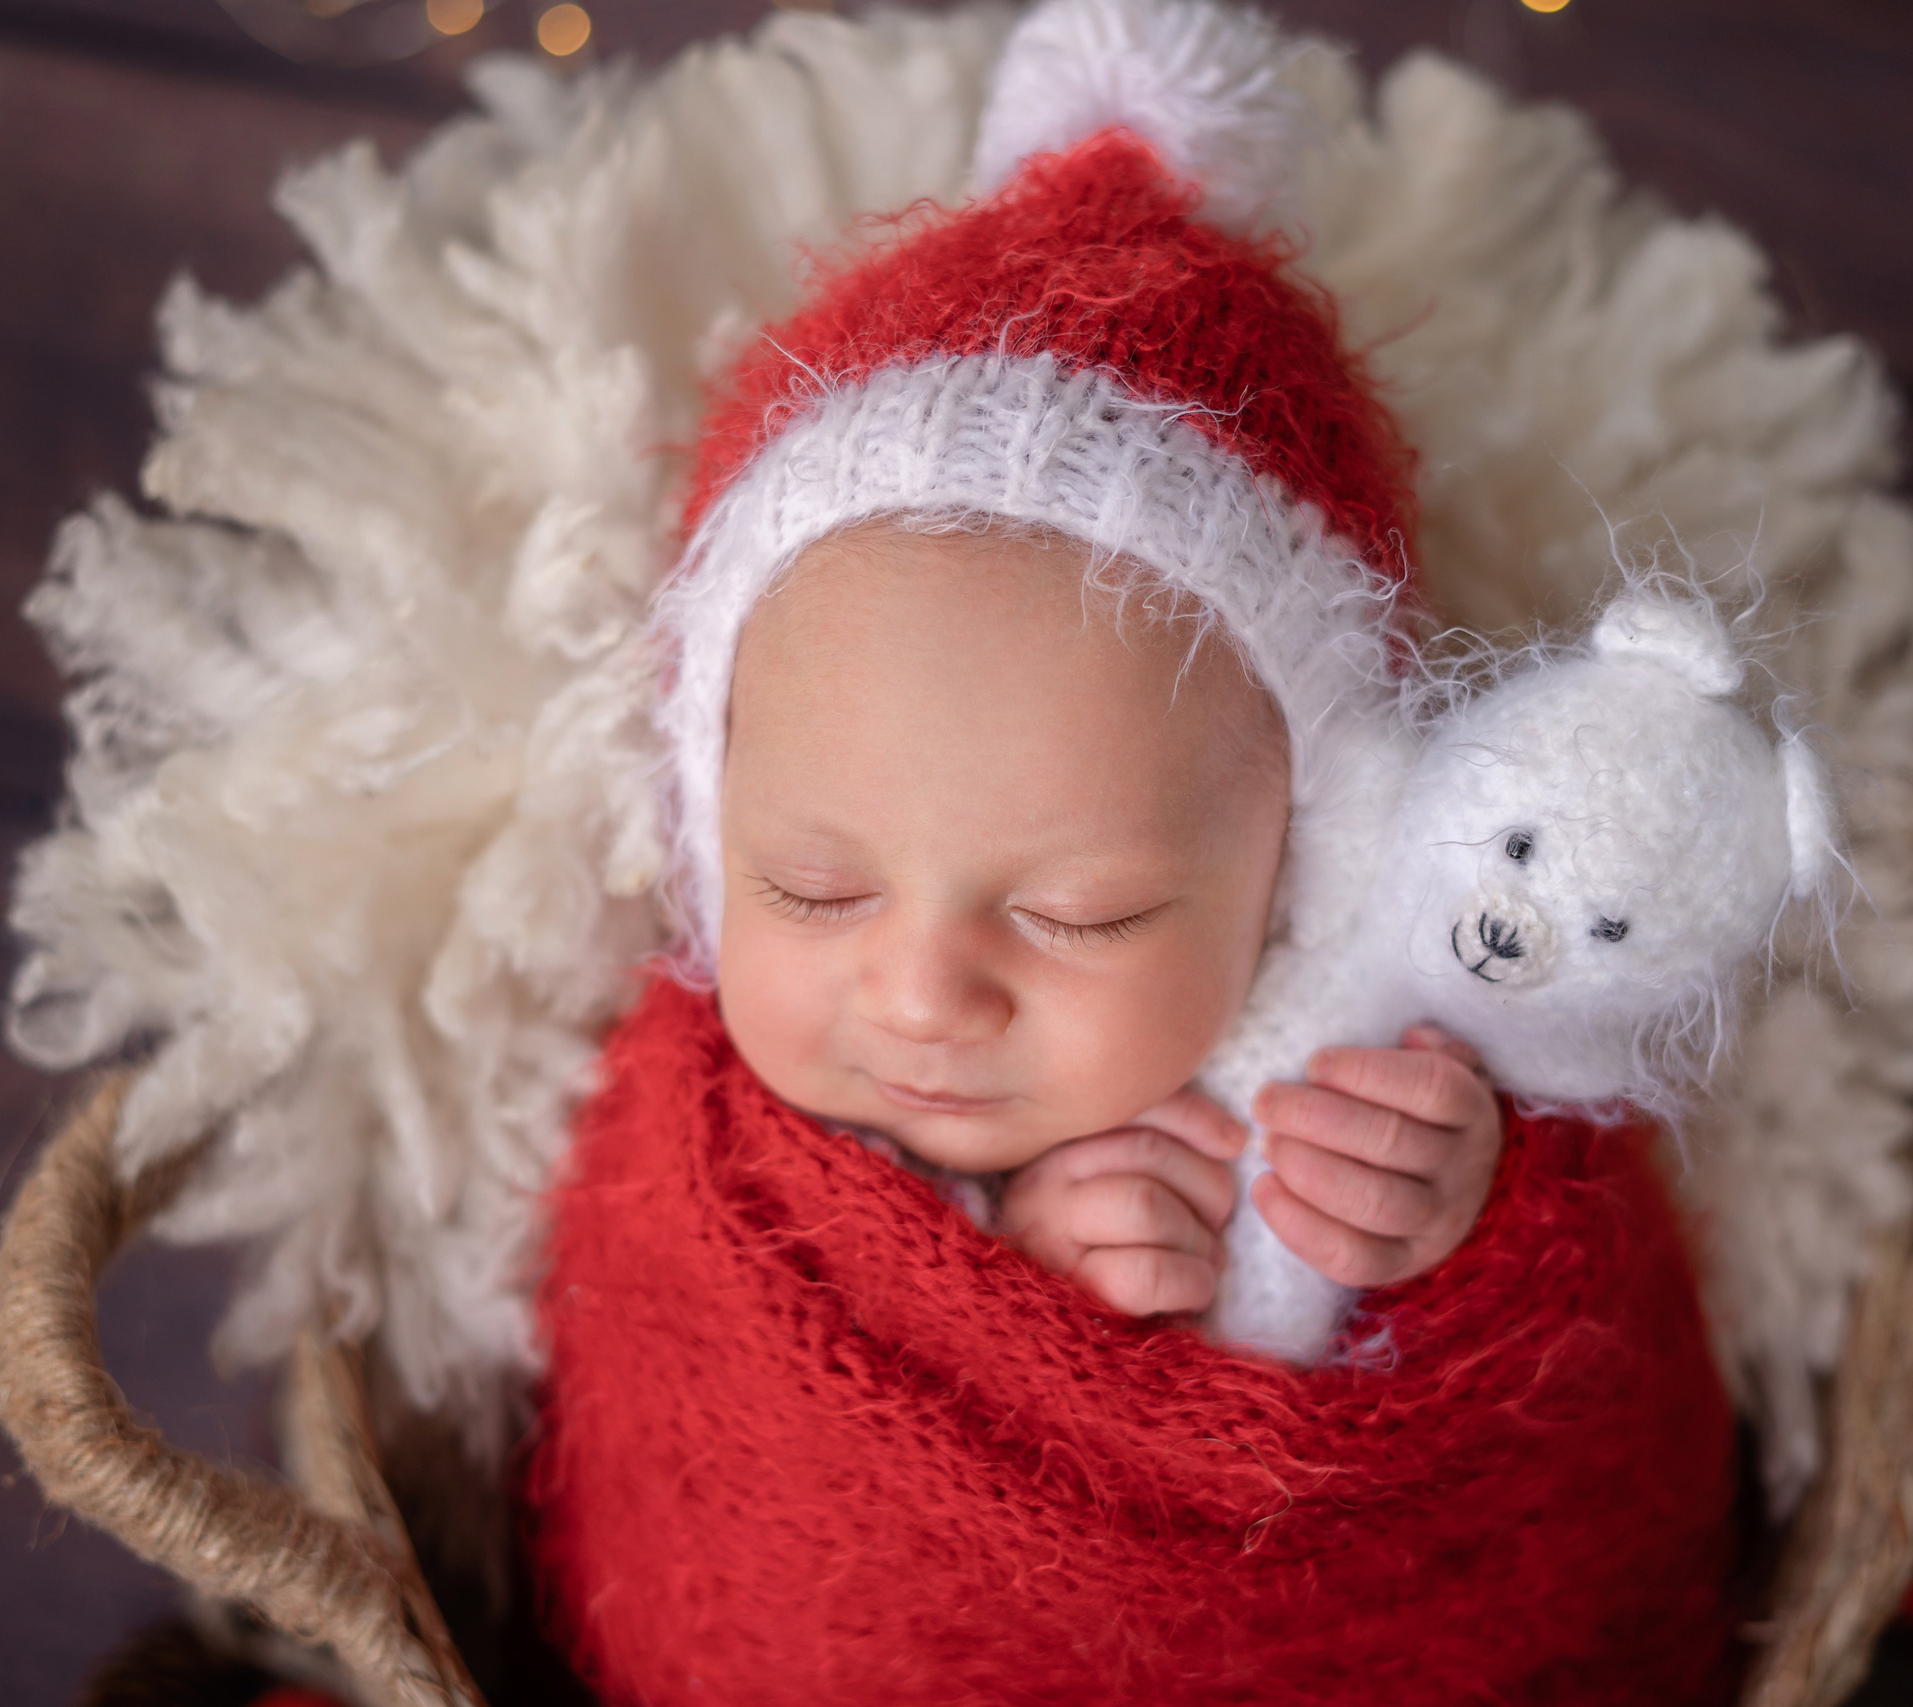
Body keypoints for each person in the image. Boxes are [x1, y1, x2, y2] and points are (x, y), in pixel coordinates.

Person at [527, 5, 1740, 1702]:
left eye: (1076, 912)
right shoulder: (711, 1141)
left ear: (1304, 857)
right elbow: (679, 1419)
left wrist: (1447, 1223)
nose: (925, 991)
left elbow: (1565, 1396)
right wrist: (995, 1280)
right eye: (812, 886)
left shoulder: (1391, 1030)